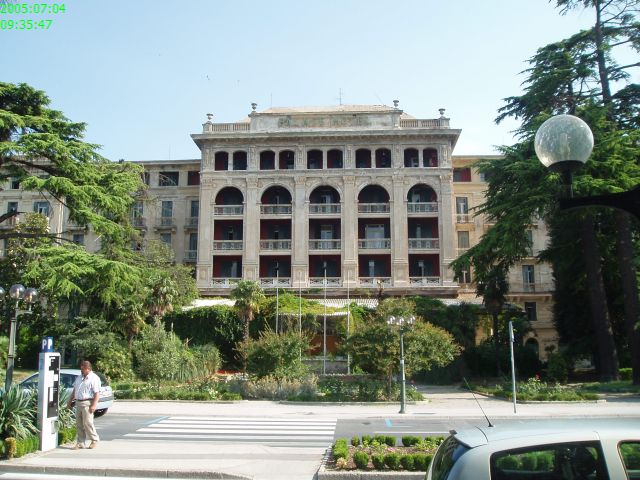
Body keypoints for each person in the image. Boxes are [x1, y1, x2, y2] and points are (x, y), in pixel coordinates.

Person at [67, 360, 101, 449]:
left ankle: (94, 440)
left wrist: (94, 405)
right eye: (81, 368)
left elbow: (97, 393)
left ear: (88, 369)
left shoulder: (94, 378)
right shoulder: (79, 378)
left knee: (87, 423)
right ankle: (80, 442)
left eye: (83, 369)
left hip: (87, 403)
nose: (81, 370)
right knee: (79, 424)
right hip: (78, 402)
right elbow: (75, 390)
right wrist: (70, 401)